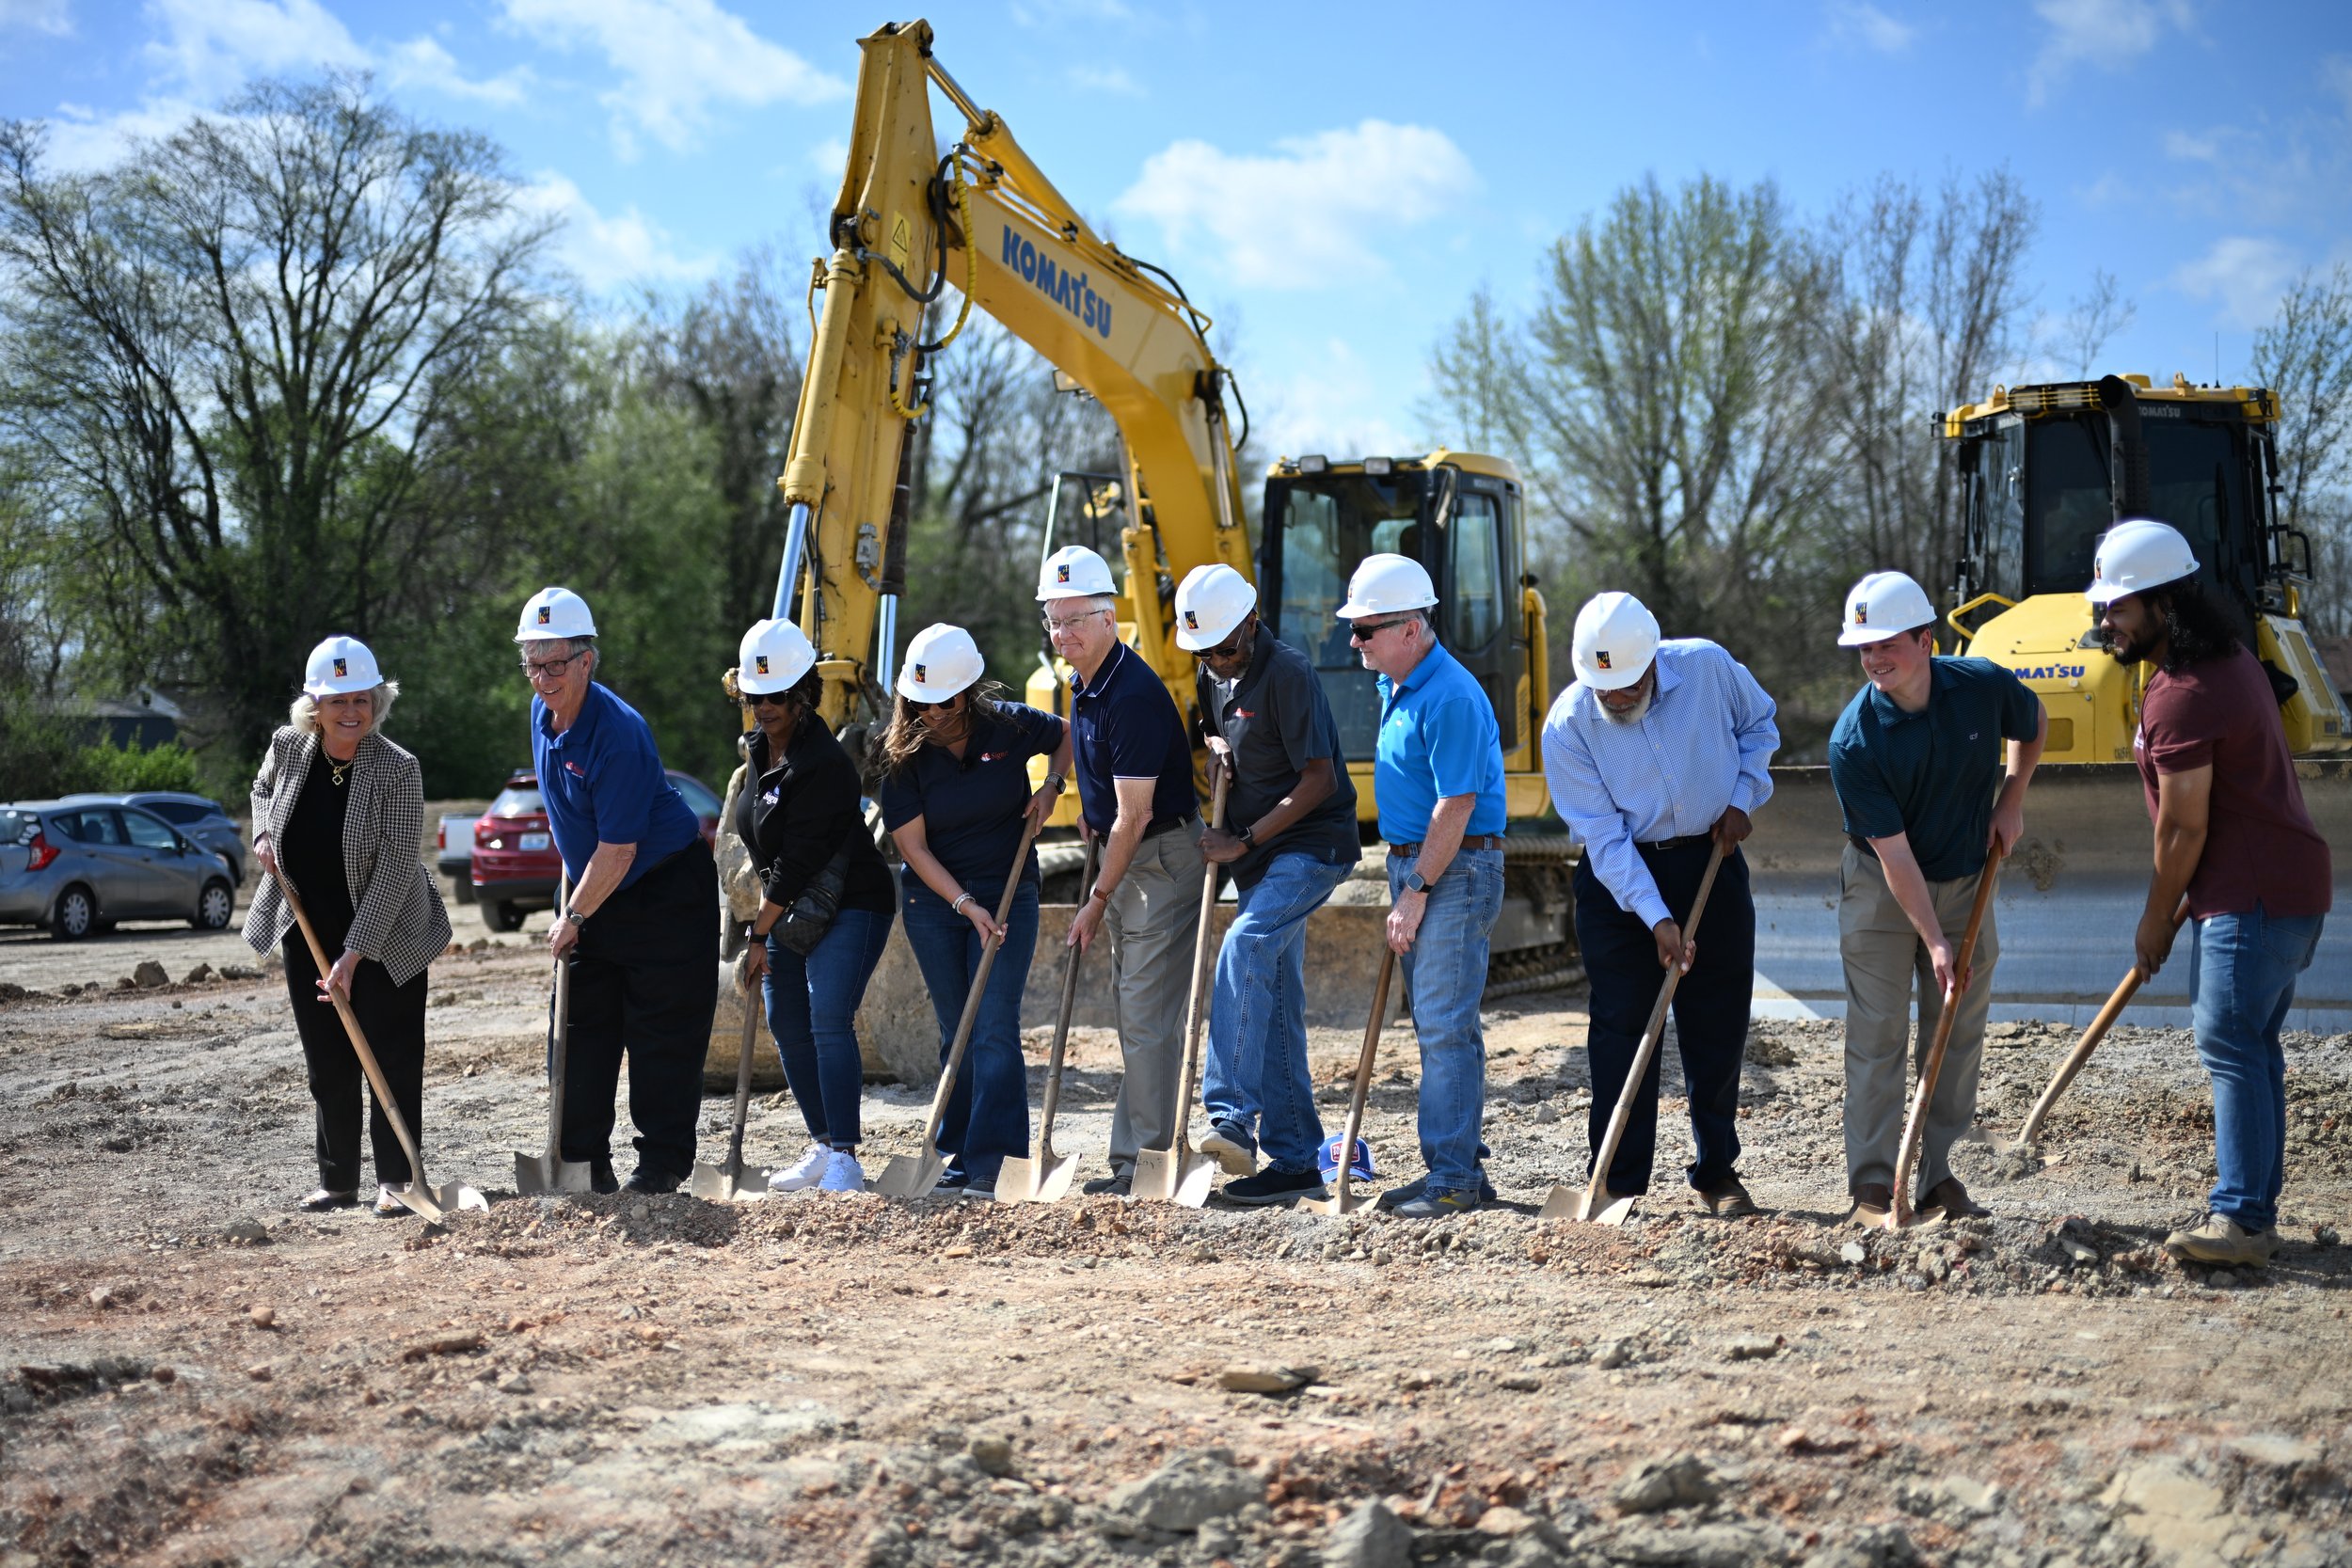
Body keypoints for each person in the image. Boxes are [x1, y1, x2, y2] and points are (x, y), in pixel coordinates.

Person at [2089, 520, 2331, 1266]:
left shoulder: (2186, 693)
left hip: (2249, 900)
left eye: (2119, 606)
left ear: (2165, 602)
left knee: (2230, 1044)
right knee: (2252, 1048)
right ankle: (2254, 1215)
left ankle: (2242, 1221)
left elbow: (2183, 827)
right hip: (2283, 889)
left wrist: (2154, 918)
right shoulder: (2228, 661)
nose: (2105, 620)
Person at [1541, 592, 1779, 1216]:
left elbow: (1760, 726)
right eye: (1603, 688)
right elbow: (1603, 838)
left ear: (1653, 658)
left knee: (1717, 1021)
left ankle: (1716, 1171)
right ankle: (1616, 1181)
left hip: (1710, 858)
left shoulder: (1708, 668)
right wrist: (1658, 918)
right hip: (1619, 879)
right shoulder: (1568, 725)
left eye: (1627, 684)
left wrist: (1742, 799)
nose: (1616, 698)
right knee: (1621, 1025)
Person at [1827, 570, 2045, 1219]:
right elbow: (1894, 856)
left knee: (1955, 1031)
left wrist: (2012, 796)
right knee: (1878, 1033)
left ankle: (1938, 1176)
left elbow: (2034, 721)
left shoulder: (1980, 685)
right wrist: (1935, 941)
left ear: (1926, 640)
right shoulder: (1855, 740)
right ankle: (1873, 1184)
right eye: (1864, 648)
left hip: (1966, 878)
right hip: (1882, 888)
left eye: (1886, 644)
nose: (1873, 659)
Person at [1168, 565, 1363, 1206]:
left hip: (1310, 847)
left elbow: (1319, 779)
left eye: (1225, 648)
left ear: (1251, 624)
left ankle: (1230, 1114)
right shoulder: (1212, 671)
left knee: (1246, 943)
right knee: (1274, 1003)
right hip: (1258, 858)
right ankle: (1297, 1158)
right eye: (1204, 652)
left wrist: (1244, 840)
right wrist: (1215, 746)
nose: (1216, 661)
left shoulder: (1288, 673)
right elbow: (1213, 725)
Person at [518, 587, 719, 1196]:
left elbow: (620, 849)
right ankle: (582, 1163)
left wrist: (573, 915)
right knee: (579, 1027)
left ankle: (660, 1165)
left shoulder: (619, 733)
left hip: (664, 889)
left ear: (586, 660)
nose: (544, 678)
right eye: (533, 664)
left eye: (556, 664)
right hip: (595, 888)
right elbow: (568, 817)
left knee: (662, 1032)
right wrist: (573, 898)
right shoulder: (541, 715)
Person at [246, 636, 452, 1215]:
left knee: (390, 1057)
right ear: (315, 705)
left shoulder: (398, 768)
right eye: (338, 700)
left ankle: (398, 1180)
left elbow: (396, 866)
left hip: (388, 933)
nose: (351, 711)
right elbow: (261, 790)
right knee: (328, 1060)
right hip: (308, 926)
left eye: (362, 698)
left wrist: (354, 954)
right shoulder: (288, 747)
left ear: (377, 701)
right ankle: (337, 1181)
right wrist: (263, 833)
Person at [877, 623, 1072, 1196]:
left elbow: (1067, 734)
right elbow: (913, 848)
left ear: (968, 692)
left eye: (944, 702)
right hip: (935, 902)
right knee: (955, 1030)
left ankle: (996, 1161)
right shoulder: (902, 756)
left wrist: (1052, 785)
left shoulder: (1008, 725)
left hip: (1009, 889)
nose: (932, 714)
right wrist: (963, 904)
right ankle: (955, 1154)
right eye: (921, 703)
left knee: (992, 1027)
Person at [1342, 552, 1507, 1218]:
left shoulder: (1450, 696)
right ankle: (1456, 1165)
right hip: (1429, 865)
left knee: (1442, 1026)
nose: (1355, 641)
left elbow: (1457, 804)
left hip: (1451, 869)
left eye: (1365, 630)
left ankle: (1453, 1178)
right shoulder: (1399, 685)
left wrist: (1415, 888)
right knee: (1443, 1026)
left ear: (1410, 629)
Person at [1042, 545, 1205, 1197]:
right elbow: (1087, 757)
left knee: (1145, 1016)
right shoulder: (1086, 683)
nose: (1062, 633)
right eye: (1053, 621)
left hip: (1158, 859)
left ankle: (1147, 1158)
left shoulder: (1132, 694)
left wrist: (1097, 897)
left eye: (1074, 620)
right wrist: (1068, 794)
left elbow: (1134, 815)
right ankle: (1130, 1156)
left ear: (1109, 618)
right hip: (1126, 854)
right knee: (1137, 1015)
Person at [725, 617, 898, 1196]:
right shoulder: (758, 752)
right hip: (793, 907)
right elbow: (766, 851)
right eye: (755, 696)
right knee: (786, 1021)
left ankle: (847, 1156)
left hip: (852, 902)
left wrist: (756, 935)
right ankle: (822, 1144)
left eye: (777, 696)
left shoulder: (824, 762)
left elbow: (798, 861)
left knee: (828, 1018)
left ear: (803, 694)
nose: (765, 707)